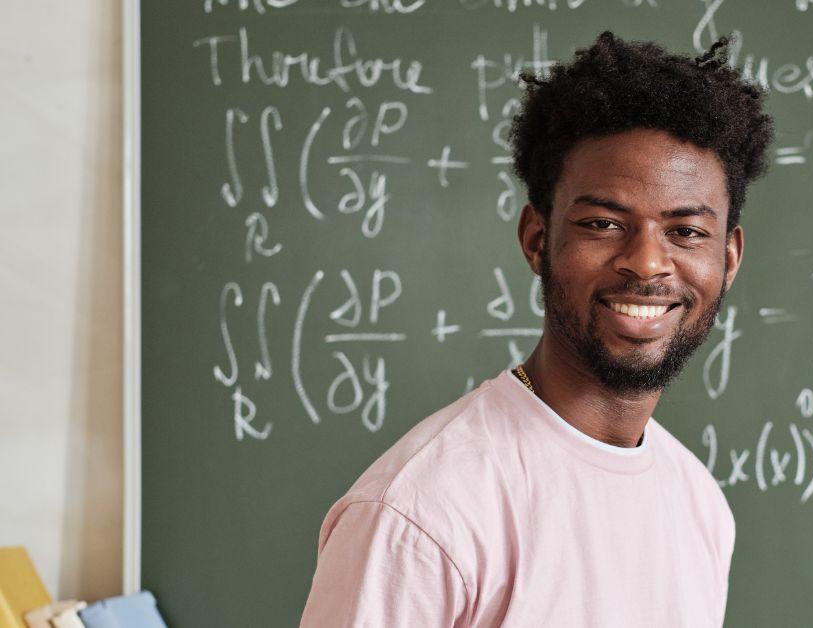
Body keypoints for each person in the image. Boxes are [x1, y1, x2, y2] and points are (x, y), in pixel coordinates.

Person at [299, 31, 773, 627]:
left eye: (686, 232)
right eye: (603, 223)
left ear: (727, 259)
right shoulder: (420, 513)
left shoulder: (698, 505)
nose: (648, 262)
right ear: (537, 239)